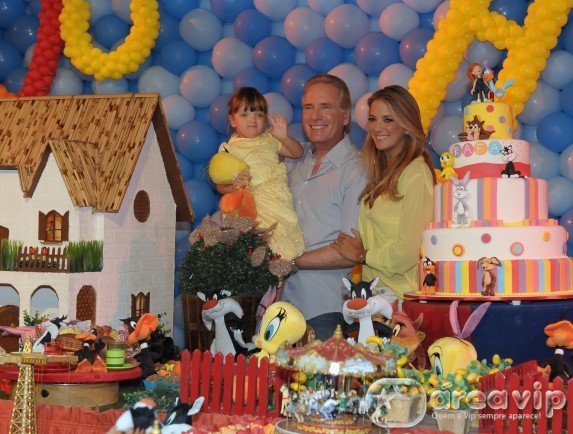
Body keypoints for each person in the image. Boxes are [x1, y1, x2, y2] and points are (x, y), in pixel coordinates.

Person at [281, 74, 367, 341]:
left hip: (325, 313)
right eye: (308, 107)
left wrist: (286, 261)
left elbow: (348, 253)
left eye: (325, 107)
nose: (315, 116)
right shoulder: (292, 160)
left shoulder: (357, 170)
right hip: (278, 308)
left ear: (345, 116)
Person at [331, 85, 435, 301]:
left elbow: (408, 253)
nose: (377, 128)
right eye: (372, 119)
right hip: (374, 297)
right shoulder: (378, 172)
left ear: (406, 125)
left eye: (388, 120)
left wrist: (362, 255)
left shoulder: (416, 173)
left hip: (403, 301)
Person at [214, 86, 305, 261]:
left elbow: (297, 153)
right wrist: (234, 184)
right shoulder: (229, 149)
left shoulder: (270, 139)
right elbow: (220, 186)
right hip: (252, 206)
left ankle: (279, 274)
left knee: (282, 248)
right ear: (232, 120)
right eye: (244, 115)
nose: (252, 120)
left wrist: (284, 137)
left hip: (278, 201)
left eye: (259, 115)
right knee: (258, 249)